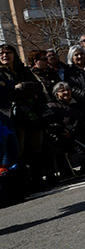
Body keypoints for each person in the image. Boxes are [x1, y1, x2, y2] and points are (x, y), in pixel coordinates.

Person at [1, 44, 50, 189]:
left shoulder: (24, 71)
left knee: (37, 147)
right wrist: (15, 89)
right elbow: (7, 93)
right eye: (1, 54)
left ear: (14, 54)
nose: (5, 56)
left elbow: (37, 86)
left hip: (32, 111)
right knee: (18, 150)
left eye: (8, 52)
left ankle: (38, 180)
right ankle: (23, 183)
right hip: (12, 115)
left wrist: (21, 86)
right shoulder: (0, 73)